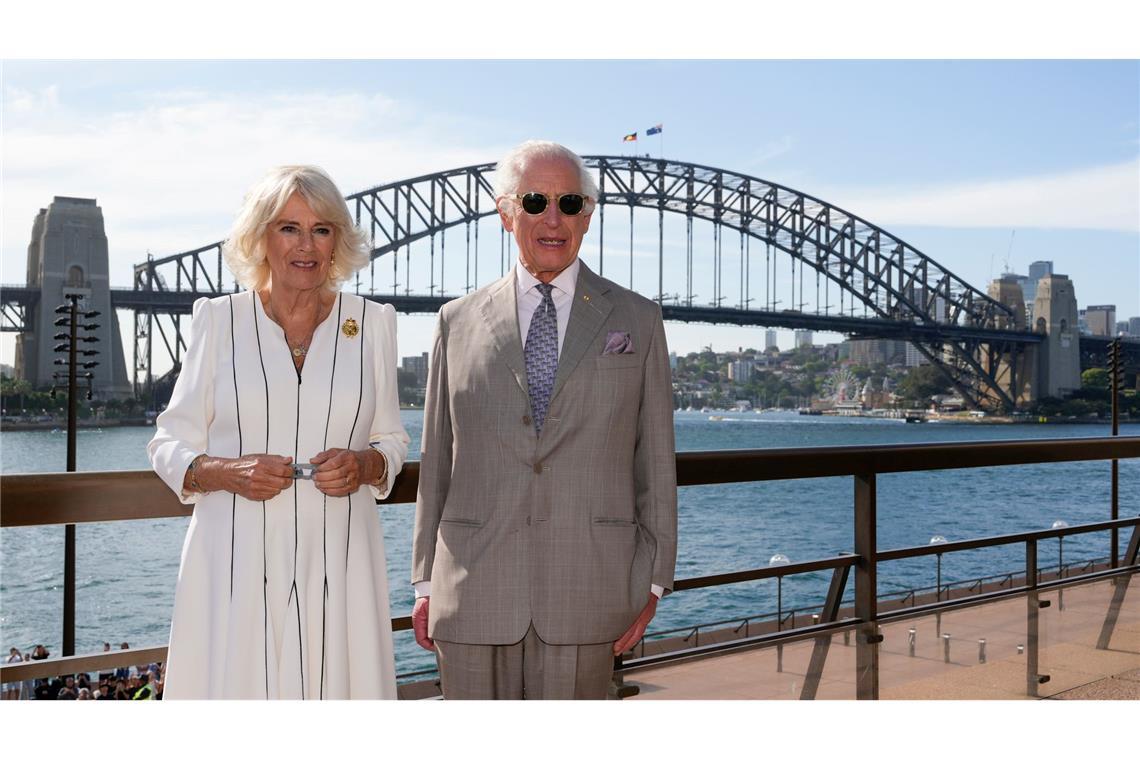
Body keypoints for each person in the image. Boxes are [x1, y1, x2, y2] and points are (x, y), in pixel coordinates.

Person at [411, 140, 677, 699]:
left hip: (591, 589)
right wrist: (422, 581)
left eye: (570, 203)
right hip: (471, 591)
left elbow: (655, 460)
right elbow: (437, 459)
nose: (553, 219)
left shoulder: (639, 319)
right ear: (506, 211)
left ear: (589, 215)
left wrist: (651, 580)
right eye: (535, 201)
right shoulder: (454, 322)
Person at [148, 164, 409, 699]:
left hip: (340, 556)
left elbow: (392, 439)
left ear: (338, 240)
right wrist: (223, 470)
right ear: (260, 238)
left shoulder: (374, 323)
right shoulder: (217, 321)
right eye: (288, 227)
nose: (305, 245)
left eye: (321, 228)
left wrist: (366, 465)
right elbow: (168, 442)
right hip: (233, 560)